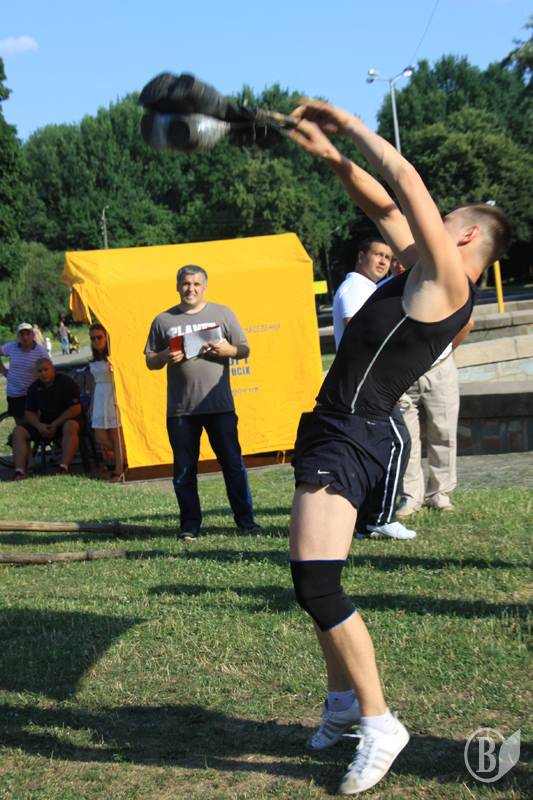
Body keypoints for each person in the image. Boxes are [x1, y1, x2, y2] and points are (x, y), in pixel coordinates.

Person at [287, 101, 510, 795]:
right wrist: (332, 158)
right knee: (314, 577)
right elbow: (383, 202)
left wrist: (349, 124)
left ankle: (380, 721)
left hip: (353, 431)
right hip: (336, 425)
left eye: (443, 220)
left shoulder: (448, 283)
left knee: (317, 583)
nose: (422, 223)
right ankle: (342, 701)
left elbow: (405, 183)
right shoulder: (422, 269)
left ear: (463, 234)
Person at [145, 264, 260, 541]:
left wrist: (229, 350)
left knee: (232, 465)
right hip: (181, 411)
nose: (191, 289)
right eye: (186, 284)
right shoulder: (163, 320)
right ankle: (190, 526)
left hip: (220, 407)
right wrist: (164, 356)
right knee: (184, 470)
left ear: (205, 287)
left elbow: (244, 348)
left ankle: (246, 522)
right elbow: (150, 361)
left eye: (196, 284)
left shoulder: (222, 313)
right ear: (178, 286)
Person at [332, 239, 416, 540]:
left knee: (379, 448)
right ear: (361, 256)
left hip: (370, 380)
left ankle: (366, 520)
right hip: (369, 382)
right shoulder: (355, 289)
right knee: (398, 443)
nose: (383, 261)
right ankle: (380, 517)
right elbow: (358, 330)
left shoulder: (368, 288)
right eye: (378, 254)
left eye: (388, 257)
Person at [397, 318, 473, 515]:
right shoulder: (391, 298)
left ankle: (440, 494)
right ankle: (410, 497)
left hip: (439, 368)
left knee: (444, 432)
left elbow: (466, 324)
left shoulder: (443, 297)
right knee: (406, 438)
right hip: (401, 369)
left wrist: (443, 353)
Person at [11, 358, 83, 479]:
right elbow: (29, 412)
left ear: (52, 369)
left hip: (66, 421)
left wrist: (55, 424)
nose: (43, 373)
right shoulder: (34, 387)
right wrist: (39, 425)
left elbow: (76, 408)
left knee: (70, 426)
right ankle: (20, 471)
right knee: (18, 431)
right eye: (39, 371)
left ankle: (63, 467)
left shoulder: (66, 382)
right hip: (45, 424)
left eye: (46, 369)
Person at [88, 323, 126, 481]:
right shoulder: (93, 360)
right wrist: (91, 404)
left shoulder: (113, 357)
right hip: (99, 396)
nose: (96, 341)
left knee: (116, 433)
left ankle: (119, 468)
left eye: (99, 337)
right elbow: (93, 382)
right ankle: (124, 456)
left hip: (112, 394)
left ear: (106, 338)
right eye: (93, 338)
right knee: (100, 436)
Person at [0, 323, 49, 423]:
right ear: (18, 337)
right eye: (22, 334)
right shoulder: (12, 347)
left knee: (37, 424)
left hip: (33, 394)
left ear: (33, 335)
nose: (25, 337)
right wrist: (3, 371)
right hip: (15, 394)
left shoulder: (40, 351)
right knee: (21, 425)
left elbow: (49, 369)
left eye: (27, 334)